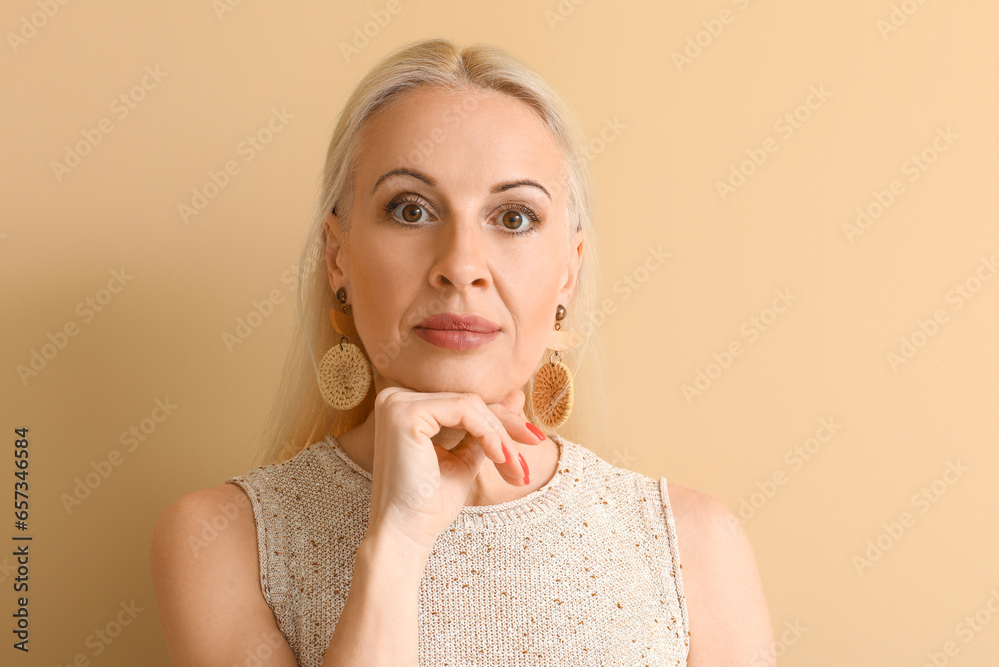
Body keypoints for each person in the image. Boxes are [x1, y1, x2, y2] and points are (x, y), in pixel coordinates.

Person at [150, 37, 775, 666]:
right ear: (338, 256)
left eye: (513, 218)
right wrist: (394, 545)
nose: (461, 266)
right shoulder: (224, 540)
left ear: (568, 273)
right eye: (412, 209)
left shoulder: (694, 548)